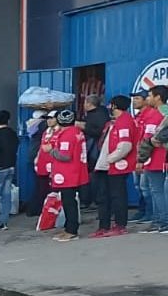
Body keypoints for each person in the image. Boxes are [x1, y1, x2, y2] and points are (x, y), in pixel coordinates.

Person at [91, 95, 137, 237]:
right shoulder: (114, 122)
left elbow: (125, 145)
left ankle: (120, 225)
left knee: (118, 196)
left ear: (114, 106)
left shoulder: (125, 121)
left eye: (110, 105)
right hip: (105, 166)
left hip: (116, 166)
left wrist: (110, 159)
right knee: (103, 196)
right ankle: (103, 226)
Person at [47, 109, 90, 242]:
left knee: (68, 202)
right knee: (69, 201)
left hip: (68, 173)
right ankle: (68, 228)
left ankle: (72, 231)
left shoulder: (68, 134)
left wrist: (51, 151)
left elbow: (65, 156)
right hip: (74, 171)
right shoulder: (77, 132)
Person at [138, 85, 168, 233]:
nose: (147, 99)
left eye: (149, 96)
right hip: (157, 157)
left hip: (156, 157)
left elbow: (150, 140)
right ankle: (158, 221)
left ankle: (161, 222)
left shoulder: (157, 115)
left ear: (157, 97)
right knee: (156, 190)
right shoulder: (161, 112)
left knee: (157, 190)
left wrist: (141, 158)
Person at [0, 111, 20, 232]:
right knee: (6, 195)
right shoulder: (13, 134)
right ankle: (3, 222)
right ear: (9, 121)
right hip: (11, 167)